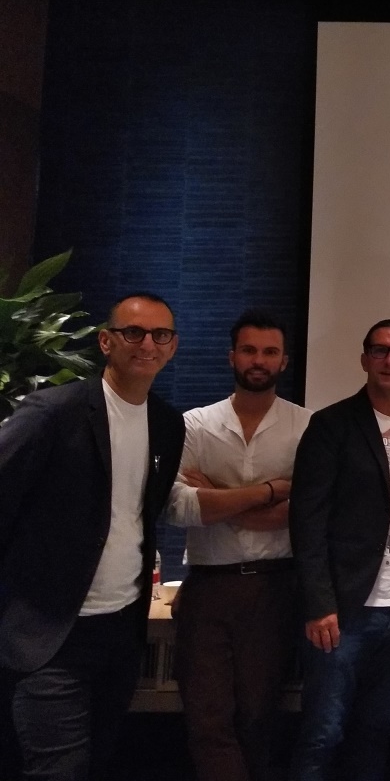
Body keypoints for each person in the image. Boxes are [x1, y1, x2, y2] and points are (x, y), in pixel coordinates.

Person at [0, 292, 185, 781]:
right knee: (60, 769)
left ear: (172, 347)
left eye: (160, 335)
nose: (147, 344)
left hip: (120, 633)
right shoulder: (52, 412)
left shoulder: (168, 424)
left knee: (99, 761)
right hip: (49, 634)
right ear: (106, 341)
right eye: (134, 332)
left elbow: (143, 513)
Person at [288, 318, 390, 781]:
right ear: (364, 359)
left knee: (376, 730)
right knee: (323, 732)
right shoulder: (331, 425)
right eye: (379, 350)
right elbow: (307, 520)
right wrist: (319, 604)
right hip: (343, 613)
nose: (389, 360)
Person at [164, 310, 311, 781]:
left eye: (269, 352)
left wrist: (217, 496)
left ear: (284, 361)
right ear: (232, 356)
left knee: (258, 719)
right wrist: (271, 491)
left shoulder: (306, 426)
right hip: (209, 588)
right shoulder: (195, 425)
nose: (258, 360)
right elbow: (179, 508)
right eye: (249, 350)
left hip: (276, 588)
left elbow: (307, 513)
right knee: (207, 719)